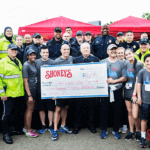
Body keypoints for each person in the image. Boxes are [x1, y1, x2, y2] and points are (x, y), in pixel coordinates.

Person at [100, 44, 127, 139]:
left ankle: (116, 130)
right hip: (105, 90)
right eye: (111, 49)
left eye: (115, 49)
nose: (113, 51)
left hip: (117, 89)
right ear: (107, 51)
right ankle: (104, 129)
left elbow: (124, 77)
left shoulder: (122, 63)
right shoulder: (102, 62)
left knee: (117, 110)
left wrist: (114, 81)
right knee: (104, 109)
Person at [73, 43, 99, 134]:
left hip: (91, 89)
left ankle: (91, 125)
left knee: (91, 108)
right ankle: (76, 126)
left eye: (87, 48)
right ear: (80, 50)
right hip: (79, 89)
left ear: (90, 49)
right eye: (84, 48)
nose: (86, 49)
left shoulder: (95, 60)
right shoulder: (75, 60)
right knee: (78, 108)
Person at [0, 44, 24, 144]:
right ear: (7, 50)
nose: (14, 51)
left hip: (18, 93)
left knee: (14, 113)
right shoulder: (2, 62)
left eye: (15, 50)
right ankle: (5, 134)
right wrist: (2, 93)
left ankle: (12, 130)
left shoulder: (18, 61)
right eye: (12, 49)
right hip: (8, 94)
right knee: (6, 115)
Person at [51, 44, 73, 141]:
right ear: (61, 50)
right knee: (58, 109)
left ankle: (63, 126)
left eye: (68, 49)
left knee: (66, 108)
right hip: (59, 89)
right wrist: (54, 92)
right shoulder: (56, 61)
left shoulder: (72, 59)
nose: (66, 51)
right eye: (64, 49)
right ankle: (55, 129)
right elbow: (52, 77)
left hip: (69, 89)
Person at [34, 45, 55, 134]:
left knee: (50, 108)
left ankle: (50, 125)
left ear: (48, 53)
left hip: (50, 89)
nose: (45, 54)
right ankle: (43, 125)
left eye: (46, 52)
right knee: (41, 108)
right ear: (40, 53)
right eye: (43, 53)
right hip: (40, 90)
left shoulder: (53, 62)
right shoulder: (35, 62)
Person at [124, 48, 143, 141]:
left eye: (129, 54)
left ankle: (138, 131)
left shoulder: (138, 64)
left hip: (134, 92)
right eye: (126, 54)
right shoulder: (126, 63)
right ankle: (131, 131)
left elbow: (138, 81)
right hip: (127, 91)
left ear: (133, 53)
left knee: (136, 115)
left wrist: (135, 94)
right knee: (130, 112)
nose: (128, 56)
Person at [23, 48, 38, 137]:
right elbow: (25, 81)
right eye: (31, 55)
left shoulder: (33, 63)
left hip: (34, 89)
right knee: (30, 110)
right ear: (27, 56)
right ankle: (28, 131)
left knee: (30, 109)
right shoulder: (26, 65)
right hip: (30, 91)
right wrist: (29, 95)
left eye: (34, 54)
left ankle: (26, 127)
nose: (33, 56)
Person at [137, 54, 150, 148]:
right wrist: (139, 98)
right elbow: (138, 85)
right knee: (144, 120)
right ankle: (143, 137)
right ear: (144, 62)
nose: (149, 63)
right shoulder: (142, 71)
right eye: (147, 61)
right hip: (145, 101)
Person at [116, 47, 128, 134]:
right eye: (119, 53)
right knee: (118, 107)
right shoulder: (115, 62)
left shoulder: (128, 62)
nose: (120, 54)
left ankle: (125, 125)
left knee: (126, 108)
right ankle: (118, 124)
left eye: (122, 53)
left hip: (127, 88)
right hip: (117, 88)